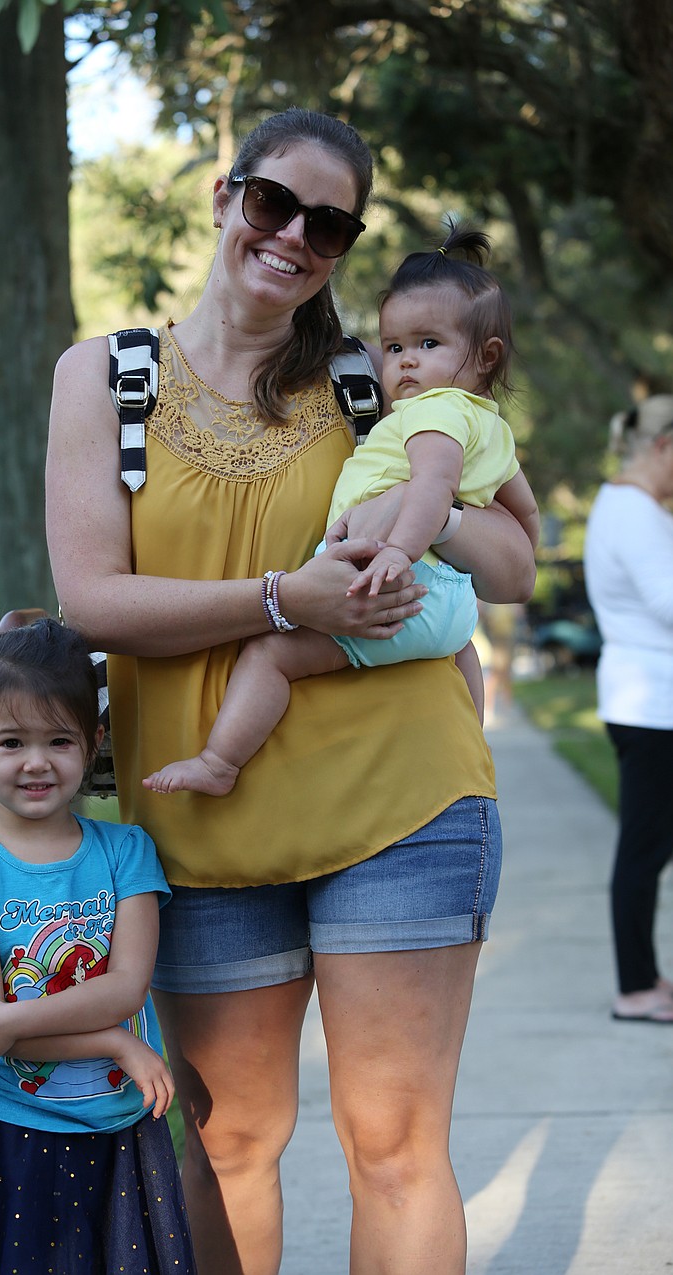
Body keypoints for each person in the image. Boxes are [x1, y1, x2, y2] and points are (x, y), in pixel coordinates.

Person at [46, 107, 536, 1275]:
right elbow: (93, 605)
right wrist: (286, 600)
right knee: (228, 1141)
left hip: (401, 805)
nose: (292, 236)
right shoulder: (104, 377)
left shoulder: (388, 380)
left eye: (328, 223)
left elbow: (515, 558)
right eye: (273, 202)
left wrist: (426, 512)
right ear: (225, 195)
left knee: (395, 1142)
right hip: (204, 821)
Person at [142, 222, 539, 795]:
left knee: (272, 655)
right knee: (459, 654)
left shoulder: (433, 415)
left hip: (396, 583)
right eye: (396, 346)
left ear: (486, 355)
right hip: (447, 603)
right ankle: (473, 757)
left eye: (428, 345)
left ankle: (219, 763)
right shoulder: (491, 426)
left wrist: (399, 551)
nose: (403, 363)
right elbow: (523, 518)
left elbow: (431, 486)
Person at [0, 619, 196, 1275]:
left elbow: (126, 987)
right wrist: (115, 1041)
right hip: (8, 1134)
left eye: (59, 739)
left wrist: (14, 1020)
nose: (37, 760)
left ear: (92, 743)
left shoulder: (127, 853)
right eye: (12, 741)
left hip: (120, 1131)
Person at [584, 394, 673, 1025]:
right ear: (664, 447)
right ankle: (636, 988)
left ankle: (645, 979)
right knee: (645, 848)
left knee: (651, 845)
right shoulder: (635, 512)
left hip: (648, 699)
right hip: (652, 704)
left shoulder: (628, 506)